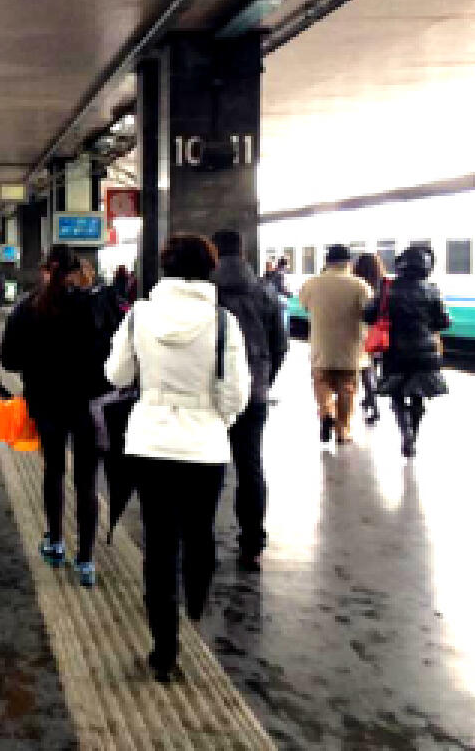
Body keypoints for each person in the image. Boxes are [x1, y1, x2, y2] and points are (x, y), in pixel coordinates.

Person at [105, 234, 250, 683]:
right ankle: (194, 610)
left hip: (150, 443)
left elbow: (117, 374)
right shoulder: (223, 323)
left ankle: (164, 651)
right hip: (204, 446)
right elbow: (236, 394)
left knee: (160, 544)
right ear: (209, 269)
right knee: (200, 534)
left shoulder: (139, 317)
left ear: (163, 267)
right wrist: (210, 422)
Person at [0, 244, 114, 584]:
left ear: (45, 269)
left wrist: (38, 365)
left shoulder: (27, 307)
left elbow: (9, 360)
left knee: (53, 471)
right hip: (88, 404)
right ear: (76, 271)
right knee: (87, 483)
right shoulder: (95, 305)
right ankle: (86, 561)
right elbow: (115, 357)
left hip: (46, 401)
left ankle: (55, 542)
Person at [211, 229, 288, 572]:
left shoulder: (206, 291)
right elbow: (280, 346)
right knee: (250, 467)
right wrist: (262, 380)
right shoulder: (265, 291)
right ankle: (252, 545)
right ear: (243, 252)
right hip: (253, 393)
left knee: (206, 467)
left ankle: (202, 541)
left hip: (211, 393)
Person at [364, 246, 451, 458]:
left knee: (397, 394)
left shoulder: (387, 287)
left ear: (401, 264)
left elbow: (368, 315)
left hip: (395, 351)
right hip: (425, 351)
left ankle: (406, 434)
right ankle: (414, 436)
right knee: (419, 395)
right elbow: (444, 322)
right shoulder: (432, 289)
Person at [298, 244, 372, 444]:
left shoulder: (312, 283)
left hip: (321, 345)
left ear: (327, 262)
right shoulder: (360, 285)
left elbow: (304, 305)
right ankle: (342, 431)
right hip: (350, 347)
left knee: (321, 382)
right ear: (349, 262)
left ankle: (326, 413)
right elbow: (369, 312)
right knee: (346, 388)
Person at [352, 252, 386, 426]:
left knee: (367, 370)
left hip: (364, 331)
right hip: (381, 333)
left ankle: (374, 406)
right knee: (373, 369)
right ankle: (369, 400)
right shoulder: (383, 283)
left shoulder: (357, 284)